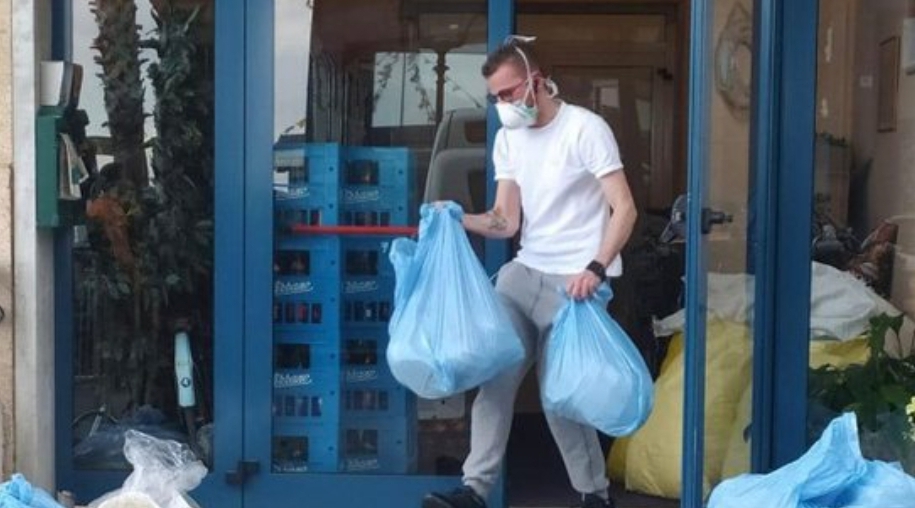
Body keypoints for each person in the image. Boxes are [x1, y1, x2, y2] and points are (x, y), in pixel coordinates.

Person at [422, 36, 638, 508]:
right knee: (495, 376)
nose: (501, 104)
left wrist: (596, 269)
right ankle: (474, 491)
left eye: (507, 93)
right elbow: (506, 221)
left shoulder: (585, 129)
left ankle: (594, 495)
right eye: (494, 97)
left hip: (576, 284)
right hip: (525, 274)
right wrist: (458, 216)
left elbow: (624, 208)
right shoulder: (509, 139)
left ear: (536, 82)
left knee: (561, 396)